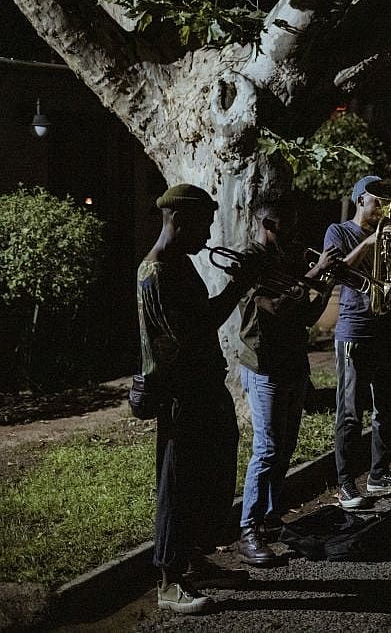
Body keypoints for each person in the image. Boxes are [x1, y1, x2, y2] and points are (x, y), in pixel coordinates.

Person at [137, 183, 258, 614]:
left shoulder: (180, 264)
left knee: (208, 481)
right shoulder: (155, 272)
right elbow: (193, 332)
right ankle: (169, 583)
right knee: (177, 485)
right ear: (181, 221)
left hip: (204, 387)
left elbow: (200, 318)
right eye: (203, 225)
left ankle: (192, 560)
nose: (208, 237)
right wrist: (239, 287)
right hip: (181, 394)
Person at [235, 191, 344, 566]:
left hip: (293, 363)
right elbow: (273, 308)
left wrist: (327, 285)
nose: (295, 231)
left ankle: (268, 516)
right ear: (268, 225)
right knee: (265, 450)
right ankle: (247, 530)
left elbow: (305, 317)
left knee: (284, 449)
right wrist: (313, 274)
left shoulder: (289, 260)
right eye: (288, 225)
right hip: (264, 366)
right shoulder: (250, 261)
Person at [324, 175, 391, 509]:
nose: (384, 210)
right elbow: (333, 273)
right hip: (355, 331)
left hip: (388, 330)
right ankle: (346, 484)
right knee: (349, 414)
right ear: (360, 200)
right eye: (378, 203)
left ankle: (379, 474)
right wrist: (369, 244)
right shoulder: (339, 232)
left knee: (387, 409)